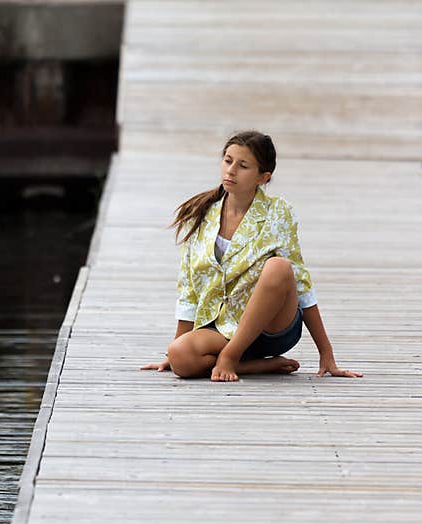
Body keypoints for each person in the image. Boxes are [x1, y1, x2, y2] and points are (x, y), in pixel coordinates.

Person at [140, 130, 362, 382]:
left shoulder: (278, 212)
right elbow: (189, 287)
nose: (231, 170)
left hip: (272, 328)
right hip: (221, 326)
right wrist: (176, 350)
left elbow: (301, 282)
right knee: (179, 355)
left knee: (279, 267)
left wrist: (326, 353)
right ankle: (255, 366)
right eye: (227, 160)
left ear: (263, 177)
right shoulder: (202, 214)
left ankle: (230, 358)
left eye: (243, 165)